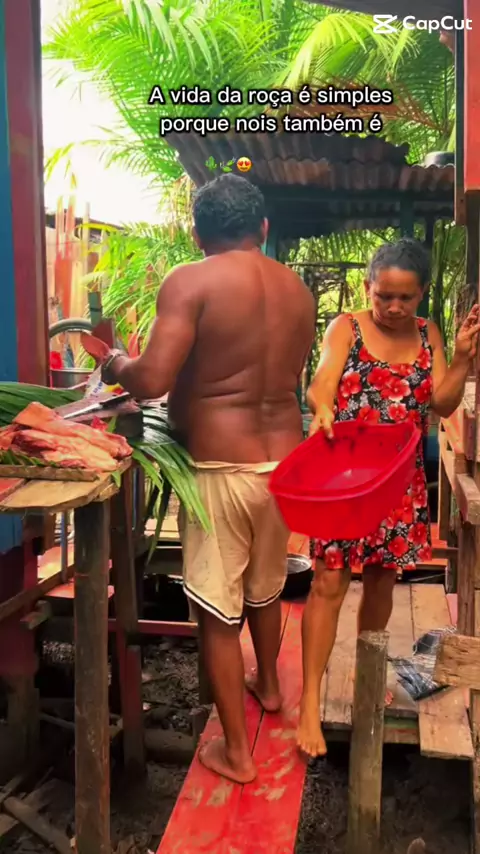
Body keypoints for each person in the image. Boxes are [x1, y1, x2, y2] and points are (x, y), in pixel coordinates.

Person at [99, 173, 316, 783]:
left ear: (197, 234)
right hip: (284, 465)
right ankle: (269, 685)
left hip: (222, 465)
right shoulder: (297, 290)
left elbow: (151, 380)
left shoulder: (191, 280)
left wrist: (115, 361)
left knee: (218, 613)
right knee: (266, 587)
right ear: (263, 228)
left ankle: (237, 755)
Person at [297, 237, 480, 759]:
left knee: (381, 582)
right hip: (344, 478)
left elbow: (440, 403)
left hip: (398, 482)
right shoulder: (346, 327)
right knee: (329, 581)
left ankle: (367, 673)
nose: (394, 307)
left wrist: (461, 360)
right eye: (384, 296)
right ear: (368, 287)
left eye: (405, 297)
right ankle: (308, 701)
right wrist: (323, 407)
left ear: (421, 294)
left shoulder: (428, 333)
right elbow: (322, 382)